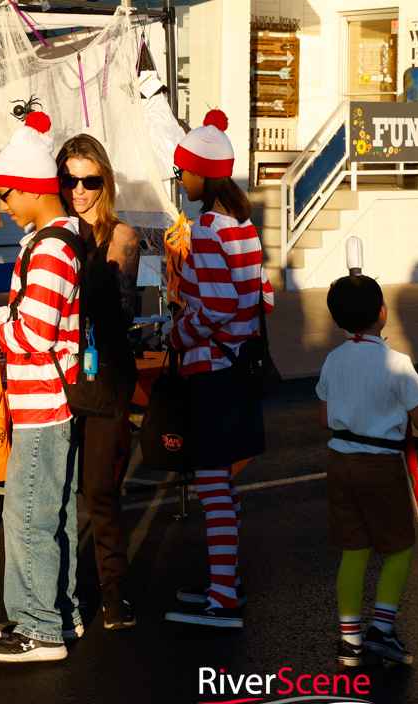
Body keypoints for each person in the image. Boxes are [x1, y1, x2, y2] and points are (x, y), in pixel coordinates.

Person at [0, 112, 84, 662]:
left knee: (28, 515)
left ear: (32, 190)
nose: (3, 205)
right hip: (52, 399)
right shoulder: (55, 239)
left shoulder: (51, 247)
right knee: (52, 515)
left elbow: (34, 331)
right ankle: (60, 614)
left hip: (43, 404)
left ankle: (40, 627)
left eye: (7, 194)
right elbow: (39, 314)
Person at [163, 110, 273, 629]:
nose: (180, 179)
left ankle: (223, 600)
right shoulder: (243, 224)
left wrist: (177, 333)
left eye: (184, 171)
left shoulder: (208, 226)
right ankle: (222, 584)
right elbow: (262, 297)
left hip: (215, 372)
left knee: (210, 485)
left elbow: (221, 306)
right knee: (219, 486)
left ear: (205, 175)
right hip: (240, 367)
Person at [55, 134, 139, 630]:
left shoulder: (121, 236)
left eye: (90, 181)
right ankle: (59, 593)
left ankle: (115, 593)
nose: (79, 191)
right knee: (55, 492)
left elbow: (125, 311)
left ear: (104, 182)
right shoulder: (50, 236)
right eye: (70, 180)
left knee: (98, 490)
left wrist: (102, 284)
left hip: (105, 373)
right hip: (59, 376)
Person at [317, 274, 418, 666]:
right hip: (381, 465)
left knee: (354, 549)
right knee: (399, 545)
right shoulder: (397, 362)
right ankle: (383, 629)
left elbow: (325, 418)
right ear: (383, 312)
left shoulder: (333, 358)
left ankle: (350, 642)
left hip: (339, 462)